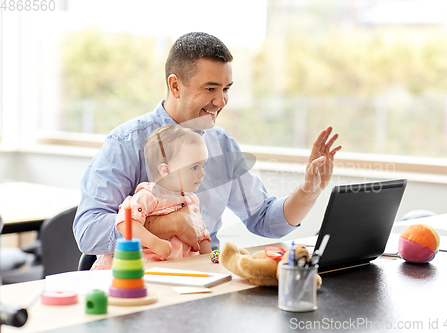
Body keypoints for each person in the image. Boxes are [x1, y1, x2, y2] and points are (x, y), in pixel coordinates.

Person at [74, 32, 341, 256]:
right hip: (142, 282)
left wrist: (309, 190)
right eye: (210, 89)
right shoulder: (127, 142)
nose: (222, 101)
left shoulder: (221, 144)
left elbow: (263, 219)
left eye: (226, 89)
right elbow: (88, 230)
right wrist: (167, 224)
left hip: (205, 280)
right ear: (175, 86)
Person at [90, 125, 211, 270]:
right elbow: (125, 223)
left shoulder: (191, 200)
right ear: (166, 170)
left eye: (203, 166)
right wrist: (154, 243)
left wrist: (211, 261)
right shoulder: (148, 195)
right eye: (194, 167)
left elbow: (202, 236)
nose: (202, 174)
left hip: (174, 271)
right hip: (138, 270)